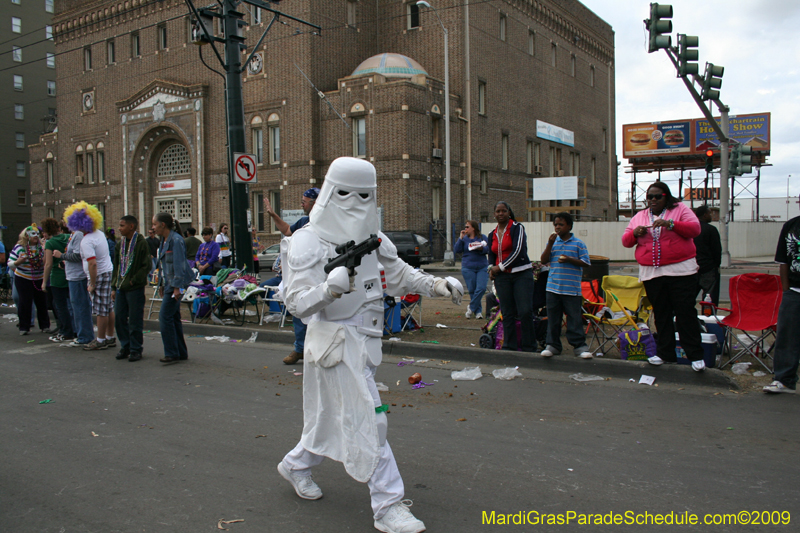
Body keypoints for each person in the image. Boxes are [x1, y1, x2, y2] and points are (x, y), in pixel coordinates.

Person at [277, 157, 462, 533]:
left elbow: (400, 274)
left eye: (365, 195)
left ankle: (296, 464)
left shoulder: (373, 236)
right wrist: (328, 288)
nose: (355, 203)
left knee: (332, 416)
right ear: (331, 192)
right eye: (347, 193)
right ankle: (388, 505)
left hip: (367, 341)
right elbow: (295, 303)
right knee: (370, 419)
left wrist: (435, 285)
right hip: (334, 342)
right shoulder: (307, 240)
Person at [622, 182, 705, 371]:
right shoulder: (640, 216)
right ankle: (665, 353)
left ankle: (695, 355)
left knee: (685, 312)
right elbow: (626, 241)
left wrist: (671, 224)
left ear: (666, 196)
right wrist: (635, 233)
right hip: (652, 273)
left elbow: (695, 229)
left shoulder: (680, 209)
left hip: (681, 271)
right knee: (661, 314)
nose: (652, 200)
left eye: (657, 196)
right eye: (649, 197)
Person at [263, 187, 320, 365]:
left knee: (320, 314)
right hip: (302, 275)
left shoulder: (326, 223)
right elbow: (287, 231)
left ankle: (317, 350)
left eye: (304, 201)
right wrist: (273, 215)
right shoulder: (304, 222)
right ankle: (299, 349)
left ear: (315, 203)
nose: (301, 204)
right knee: (298, 309)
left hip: (319, 275)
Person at [64, 202, 116, 351]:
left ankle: (100, 340)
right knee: (108, 307)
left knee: (101, 309)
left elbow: (92, 264)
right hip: (107, 271)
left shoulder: (87, 240)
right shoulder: (98, 234)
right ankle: (109, 337)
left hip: (98, 274)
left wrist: (92, 283)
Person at [540, 212, 592, 359]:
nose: (557, 227)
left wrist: (570, 259)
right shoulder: (553, 243)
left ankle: (579, 346)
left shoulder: (578, 244)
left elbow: (586, 263)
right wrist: (550, 243)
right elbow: (544, 260)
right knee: (553, 318)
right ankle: (553, 345)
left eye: (561, 224)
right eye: (555, 224)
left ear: (569, 226)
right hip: (553, 288)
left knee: (574, 319)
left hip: (571, 289)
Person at [487, 201, 536, 352]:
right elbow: (491, 254)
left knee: (525, 311)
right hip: (502, 278)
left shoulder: (517, 228)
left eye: (503, 211)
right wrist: (491, 269)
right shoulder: (492, 234)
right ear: (494, 214)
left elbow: (518, 251)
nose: (500, 214)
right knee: (506, 312)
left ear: (509, 212)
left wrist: (499, 267)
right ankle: (509, 345)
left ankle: (529, 346)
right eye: (498, 211)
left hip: (521, 274)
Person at [763, 204, 800, 394]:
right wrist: (786, 289)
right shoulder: (791, 226)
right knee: (788, 337)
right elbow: (783, 261)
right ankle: (784, 380)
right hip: (794, 290)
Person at [153, 211, 194, 364]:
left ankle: (171, 352)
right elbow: (163, 266)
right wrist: (161, 284)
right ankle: (180, 352)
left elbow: (178, 264)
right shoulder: (164, 240)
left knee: (164, 316)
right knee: (174, 317)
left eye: (154, 224)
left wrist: (176, 288)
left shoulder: (176, 240)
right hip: (169, 283)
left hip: (176, 284)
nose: (153, 228)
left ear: (163, 225)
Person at [112, 215, 152, 363]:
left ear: (131, 227)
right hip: (120, 286)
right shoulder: (120, 244)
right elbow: (116, 265)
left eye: (122, 225)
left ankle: (136, 349)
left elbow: (146, 265)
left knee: (134, 320)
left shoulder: (141, 243)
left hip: (134, 287)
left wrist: (133, 280)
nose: (119, 228)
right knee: (119, 318)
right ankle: (125, 345)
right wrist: (114, 286)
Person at [54, 218, 94, 347]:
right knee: (77, 306)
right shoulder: (73, 234)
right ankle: (82, 334)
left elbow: (78, 256)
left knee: (80, 306)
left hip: (78, 277)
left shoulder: (78, 234)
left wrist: (61, 256)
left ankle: (84, 336)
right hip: (72, 276)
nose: (64, 222)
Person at [8, 226, 51, 335]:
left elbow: (47, 261)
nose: (36, 236)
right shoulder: (19, 247)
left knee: (42, 302)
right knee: (25, 302)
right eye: (33, 234)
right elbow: (10, 263)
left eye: (37, 233)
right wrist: (18, 262)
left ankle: (45, 326)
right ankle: (24, 327)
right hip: (23, 278)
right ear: (26, 236)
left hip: (39, 277)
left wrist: (44, 251)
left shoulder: (41, 247)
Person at [41, 218, 75, 342]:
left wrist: (44, 282)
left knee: (60, 306)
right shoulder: (68, 237)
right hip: (70, 274)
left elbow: (47, 263)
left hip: (57, 277)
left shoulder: (50, 243)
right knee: (72, 304)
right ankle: (75, 329)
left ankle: (66, 331)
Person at [454, 219, 489, 319]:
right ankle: (478, 312)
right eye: (465, 227)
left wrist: (481, 248)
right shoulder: (464, 239)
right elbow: (457, 250)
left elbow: (489, 249)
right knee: (472, 290)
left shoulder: (482, 237)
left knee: (481, 288)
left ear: (473, 228)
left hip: (482, 266)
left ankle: (471, 307)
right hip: (468, 267)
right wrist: (460, 238)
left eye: (467, 227)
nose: (465, 229)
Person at [693, 205, 722, 306]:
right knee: (709, 298)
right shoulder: (711, 230)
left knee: (688, 297)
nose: (711, 216)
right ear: (704, 215)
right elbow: (717, 250)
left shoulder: (691, 229)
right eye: (710, 213)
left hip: (692, 268)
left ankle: (685, 318)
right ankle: (708, 317)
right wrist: (716, 266)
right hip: (708, 268)